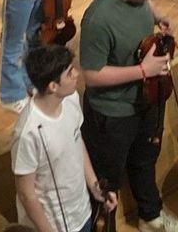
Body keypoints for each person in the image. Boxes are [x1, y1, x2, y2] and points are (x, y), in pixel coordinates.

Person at [78, 0, 178, 232]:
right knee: (107, 183)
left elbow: (146, 6)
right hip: (112, 116)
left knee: (145, 160)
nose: (152, 0)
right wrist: (143, 71)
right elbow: (91, 75)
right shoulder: (98, 19)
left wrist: (159, 15)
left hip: (144, 101)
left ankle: (150, 216)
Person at [12, 42, 117, 232]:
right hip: (53, 226)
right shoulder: (27, 134)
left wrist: (95, 186)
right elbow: (26, 193)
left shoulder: (71, 99)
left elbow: (77, 141)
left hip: (82, 213)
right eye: (69, 72)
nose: (76, 73)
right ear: (53, 86)